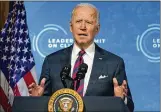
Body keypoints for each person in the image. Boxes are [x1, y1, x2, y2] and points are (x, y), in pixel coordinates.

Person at [29, 3, 134, 111]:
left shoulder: (114, 63)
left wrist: (121, 99)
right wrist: (37, 100)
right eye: (78, 21)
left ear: (97, 29)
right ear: (71, 27)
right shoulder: (51, 61)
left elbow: (129, 107)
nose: (82, 27)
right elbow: (45, 104)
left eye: (88, 22)